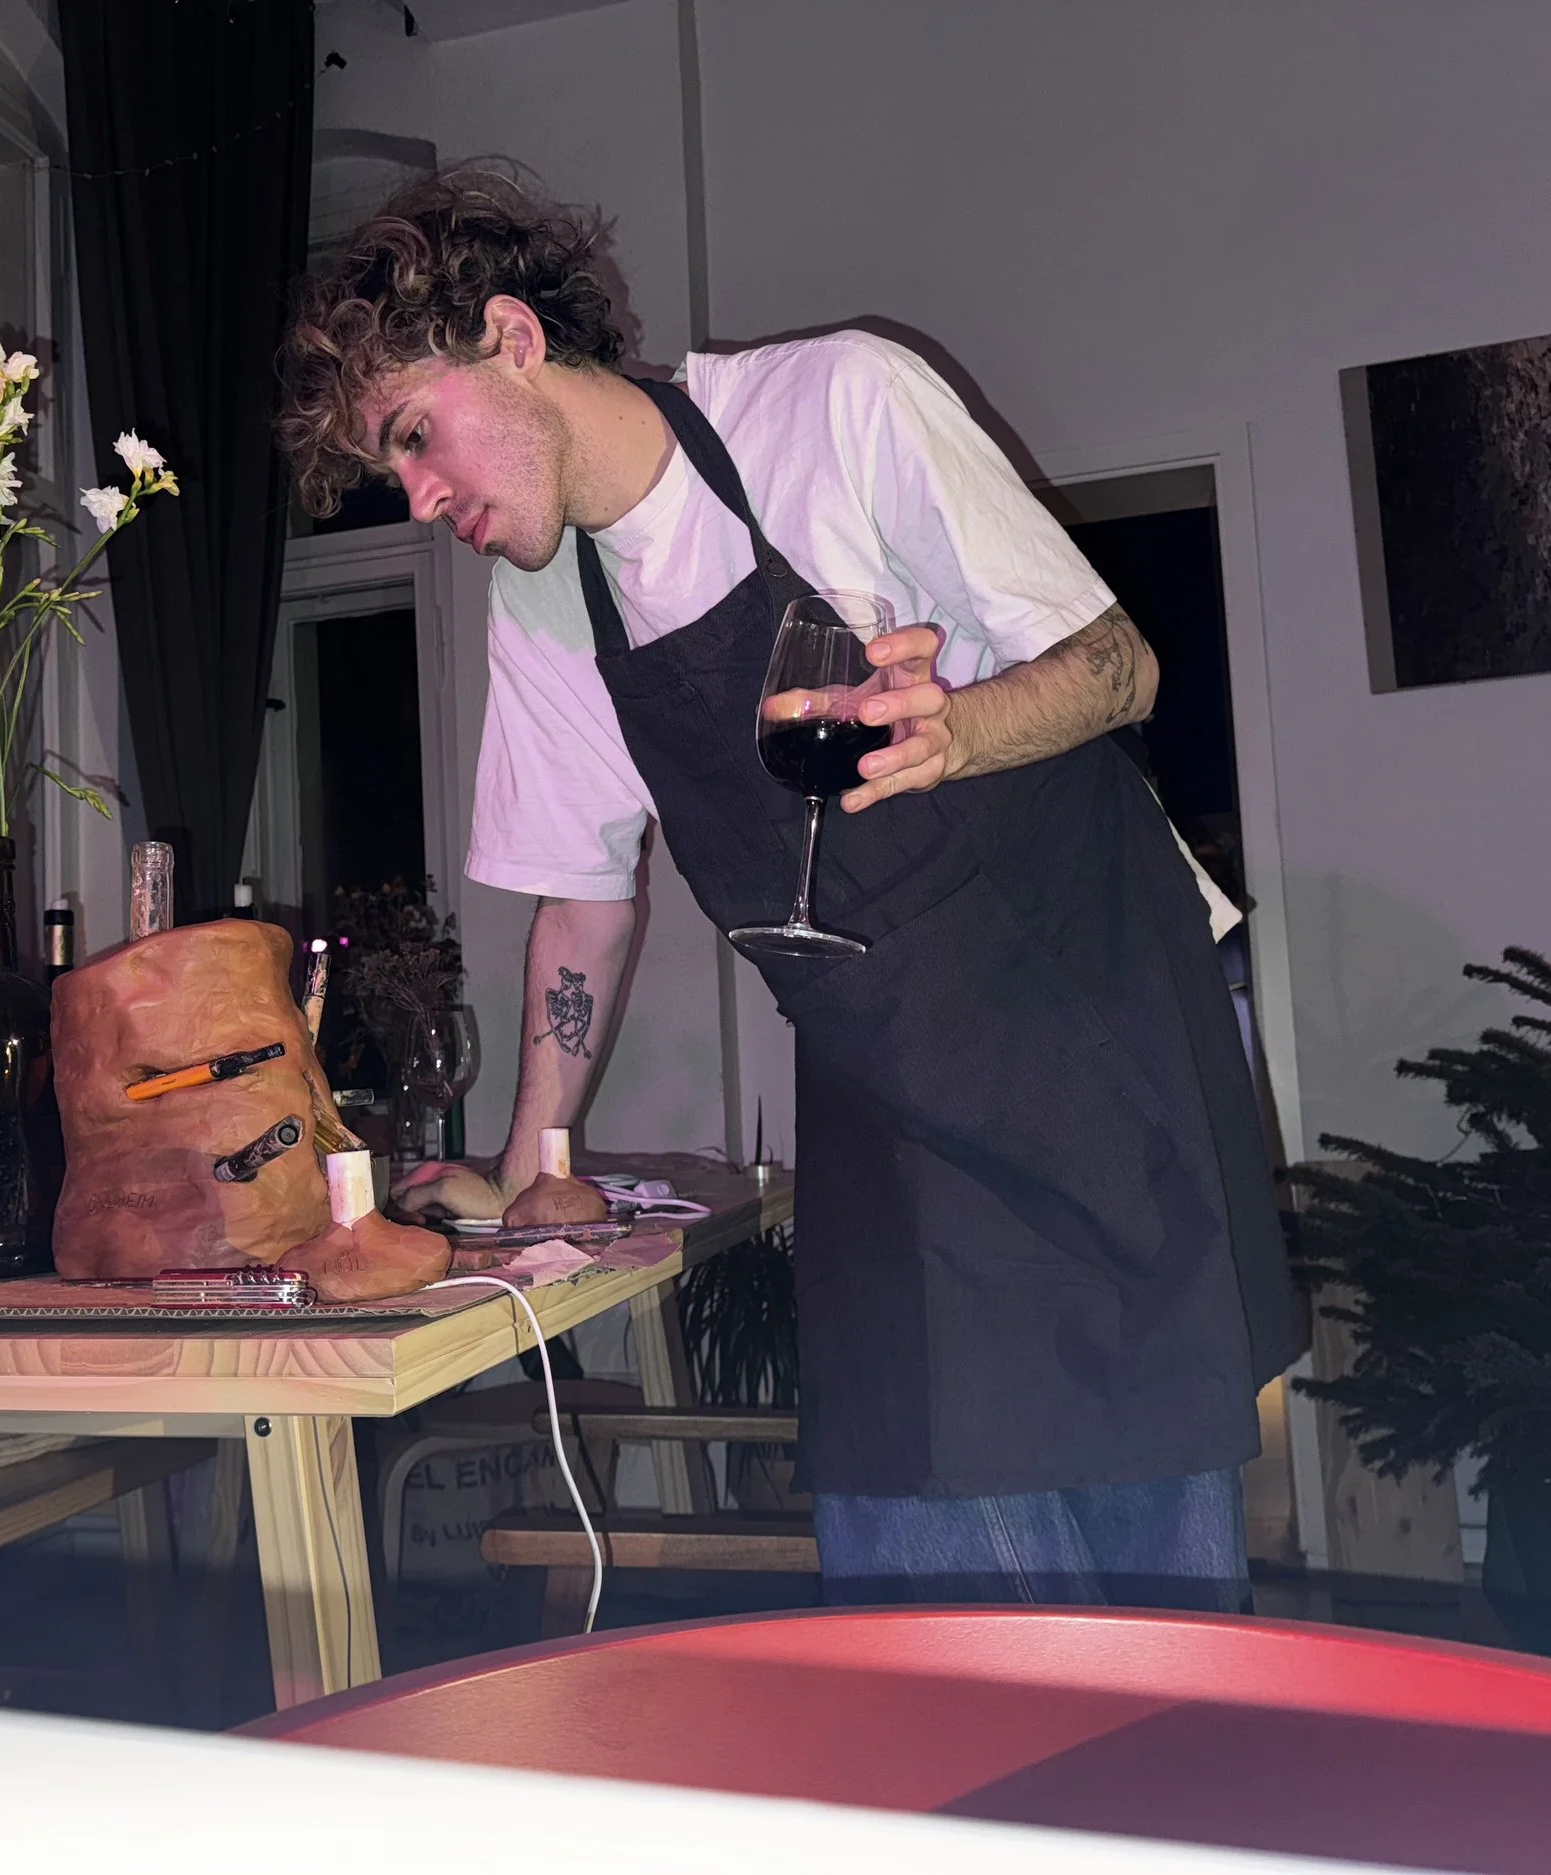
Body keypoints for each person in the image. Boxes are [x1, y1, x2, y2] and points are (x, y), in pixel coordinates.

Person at [276, 169, 1296, 1611]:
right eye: (397, 475)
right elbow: (583, 894)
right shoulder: (548, 595)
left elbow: (1121, 665)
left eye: (415, 439)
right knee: (912, 1565)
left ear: (508, 336)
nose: (421, 496)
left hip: (1092, 1033)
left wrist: (964, 725)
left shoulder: (836, 406)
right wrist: (532, 1152)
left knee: (1149, 1618)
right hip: (890, 1077)